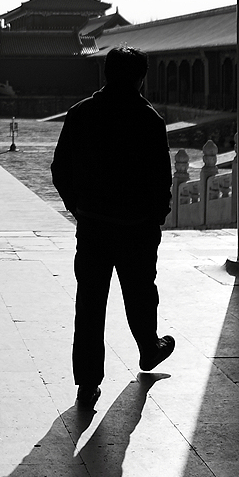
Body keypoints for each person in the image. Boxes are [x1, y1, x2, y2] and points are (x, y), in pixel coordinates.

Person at [51, 45, 175, 408]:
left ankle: (87, 382)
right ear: (141, 78)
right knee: (140, 293)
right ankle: (149, 348)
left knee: (90, 303)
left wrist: (78, 208)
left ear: (106, 74)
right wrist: (156, 217)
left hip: (94, 226)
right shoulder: (149, 119)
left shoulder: (80, 113)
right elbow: (161, 179)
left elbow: (60, 169)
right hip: (137, 227)